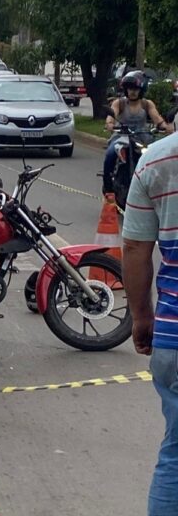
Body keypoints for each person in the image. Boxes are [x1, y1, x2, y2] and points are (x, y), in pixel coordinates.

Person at [122, 125, 178, 515]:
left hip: (173, 335)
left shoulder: (156, 159)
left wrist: (141, 317)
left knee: (175, 454)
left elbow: (135, 248)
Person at [102, 71, 171, 195]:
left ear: (141, 89)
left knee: (159, 154)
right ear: (125, 89)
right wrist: (110, 124)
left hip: (142, 137)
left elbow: (157, 119)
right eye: (129, 88)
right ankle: (108, 186)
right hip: (122, 137)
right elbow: (110, 118)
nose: (132, 91)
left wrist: (165, 127)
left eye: (135, 88)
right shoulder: (119, 103)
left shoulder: (147, 104)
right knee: (110, 154)